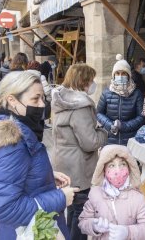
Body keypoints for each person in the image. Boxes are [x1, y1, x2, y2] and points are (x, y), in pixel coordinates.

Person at [0, 71, 78, 240]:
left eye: (43, 99)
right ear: (12, 100)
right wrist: (60, 198)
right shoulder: (13, 144)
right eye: (35, 99)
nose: (41, 105)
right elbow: (5, 208)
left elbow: (14, 173)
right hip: (26, 231)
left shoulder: (16, 132)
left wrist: (45, 176)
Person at [51, 63, 108, 240]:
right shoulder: (80, 106)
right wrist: (103, 132)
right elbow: (90, 142)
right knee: (82, 214)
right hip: (79, 167)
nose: (93, 84)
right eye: (91, 80)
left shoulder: (62, 99)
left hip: (64, 163)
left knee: (72, 207)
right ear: (83, 81)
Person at [79, 144, 145, 239]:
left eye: (122, 164)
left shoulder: (137, 198)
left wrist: (128, 232)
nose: (118, 170)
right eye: (111, 165)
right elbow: (83, 222)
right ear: (103, 170)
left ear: (130, 167)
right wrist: (93, 226)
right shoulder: (95, 194)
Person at [97, 54, 145, 145]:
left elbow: (141, 117)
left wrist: (123, 126)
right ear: (114, 75)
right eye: (117, 73)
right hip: (109, 139)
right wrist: (109, 125)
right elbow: (99, 113)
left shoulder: (136, 93)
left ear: (128, 75)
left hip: (130, 140)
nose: (120, 76)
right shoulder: (106, 92)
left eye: (123, 73)